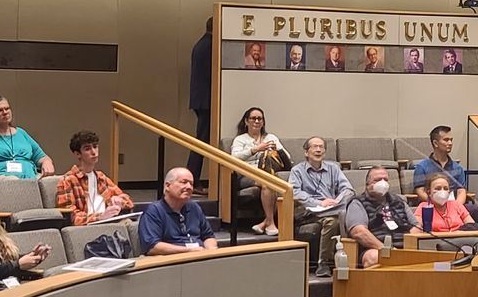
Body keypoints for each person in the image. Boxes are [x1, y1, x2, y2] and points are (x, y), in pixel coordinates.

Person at [290, 136, 352, 271]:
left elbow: (348, 189)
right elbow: (294, 192)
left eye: (321, 147)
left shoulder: (333, 168)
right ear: (306, 152)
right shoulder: (297, 171)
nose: (318, 150)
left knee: (337, 216)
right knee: (337, 218)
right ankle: (324, 264)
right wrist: (319, 202)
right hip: (308, 211)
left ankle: (349, 259)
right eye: (315, 147)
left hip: (331, 209)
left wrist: (337, 200)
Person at [229, 107, 289, 236]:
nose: (256, 121)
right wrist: (256, 149)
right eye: (253, 118)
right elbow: (234, 158)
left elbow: (287, 158)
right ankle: (270, 223)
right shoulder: (240, 139)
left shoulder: (271, 137)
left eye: (259, 119)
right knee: (270, 182)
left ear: (263, 122)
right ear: (246, 121)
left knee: (268, 183)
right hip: (247, 174)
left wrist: (277, 150)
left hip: (269, 173)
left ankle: (267, 222)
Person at [53, 131, 133, 226]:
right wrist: (99, 217)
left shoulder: (101, 177)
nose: (93, 152)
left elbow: (129, 202)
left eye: (95, 147)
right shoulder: (67, 180)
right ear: (78, 154)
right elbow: (70, 216)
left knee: (134, 223)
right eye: (87, 149)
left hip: (108, 221)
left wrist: (119, 200)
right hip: (89, 226)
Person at [342, 166, 416, 266]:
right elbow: (359, 232)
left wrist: (408, 250)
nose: (382, 183)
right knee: (374, 258)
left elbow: (415, 226)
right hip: (375, 249)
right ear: (367, 184)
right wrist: (386, 249)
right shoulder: (357, 203)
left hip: (403, 247)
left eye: (385, 179)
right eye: (377, 180)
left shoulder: (399, 201)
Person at [137, 167, 220, 255]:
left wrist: (211, 250)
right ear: (167, 186)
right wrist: (189, 251)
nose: (189, 187)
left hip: (198, 258)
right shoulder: (154, 210)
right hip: (170, 262)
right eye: (184, 182)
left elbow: (208, 236)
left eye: (191, 184)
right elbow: (152, 247)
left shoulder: (194, 207)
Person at [416, 125, 471, 210]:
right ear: (435, 143)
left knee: (476, 209)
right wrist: (437, 203)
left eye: (451, 140)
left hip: (453, 205)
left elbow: (461, 191)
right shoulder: (422, 167)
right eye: (446, 140)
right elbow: (420, 191)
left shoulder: (458, 168)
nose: (450, 143)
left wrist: (455, 207)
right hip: (432, 205)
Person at [188, 17, 213, 180]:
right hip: (207, 100)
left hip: (200, 99)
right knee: (201, 141)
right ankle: (193, 178)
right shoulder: (210, 46)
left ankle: (193, 177)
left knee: (201, 139)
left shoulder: (201, 44)